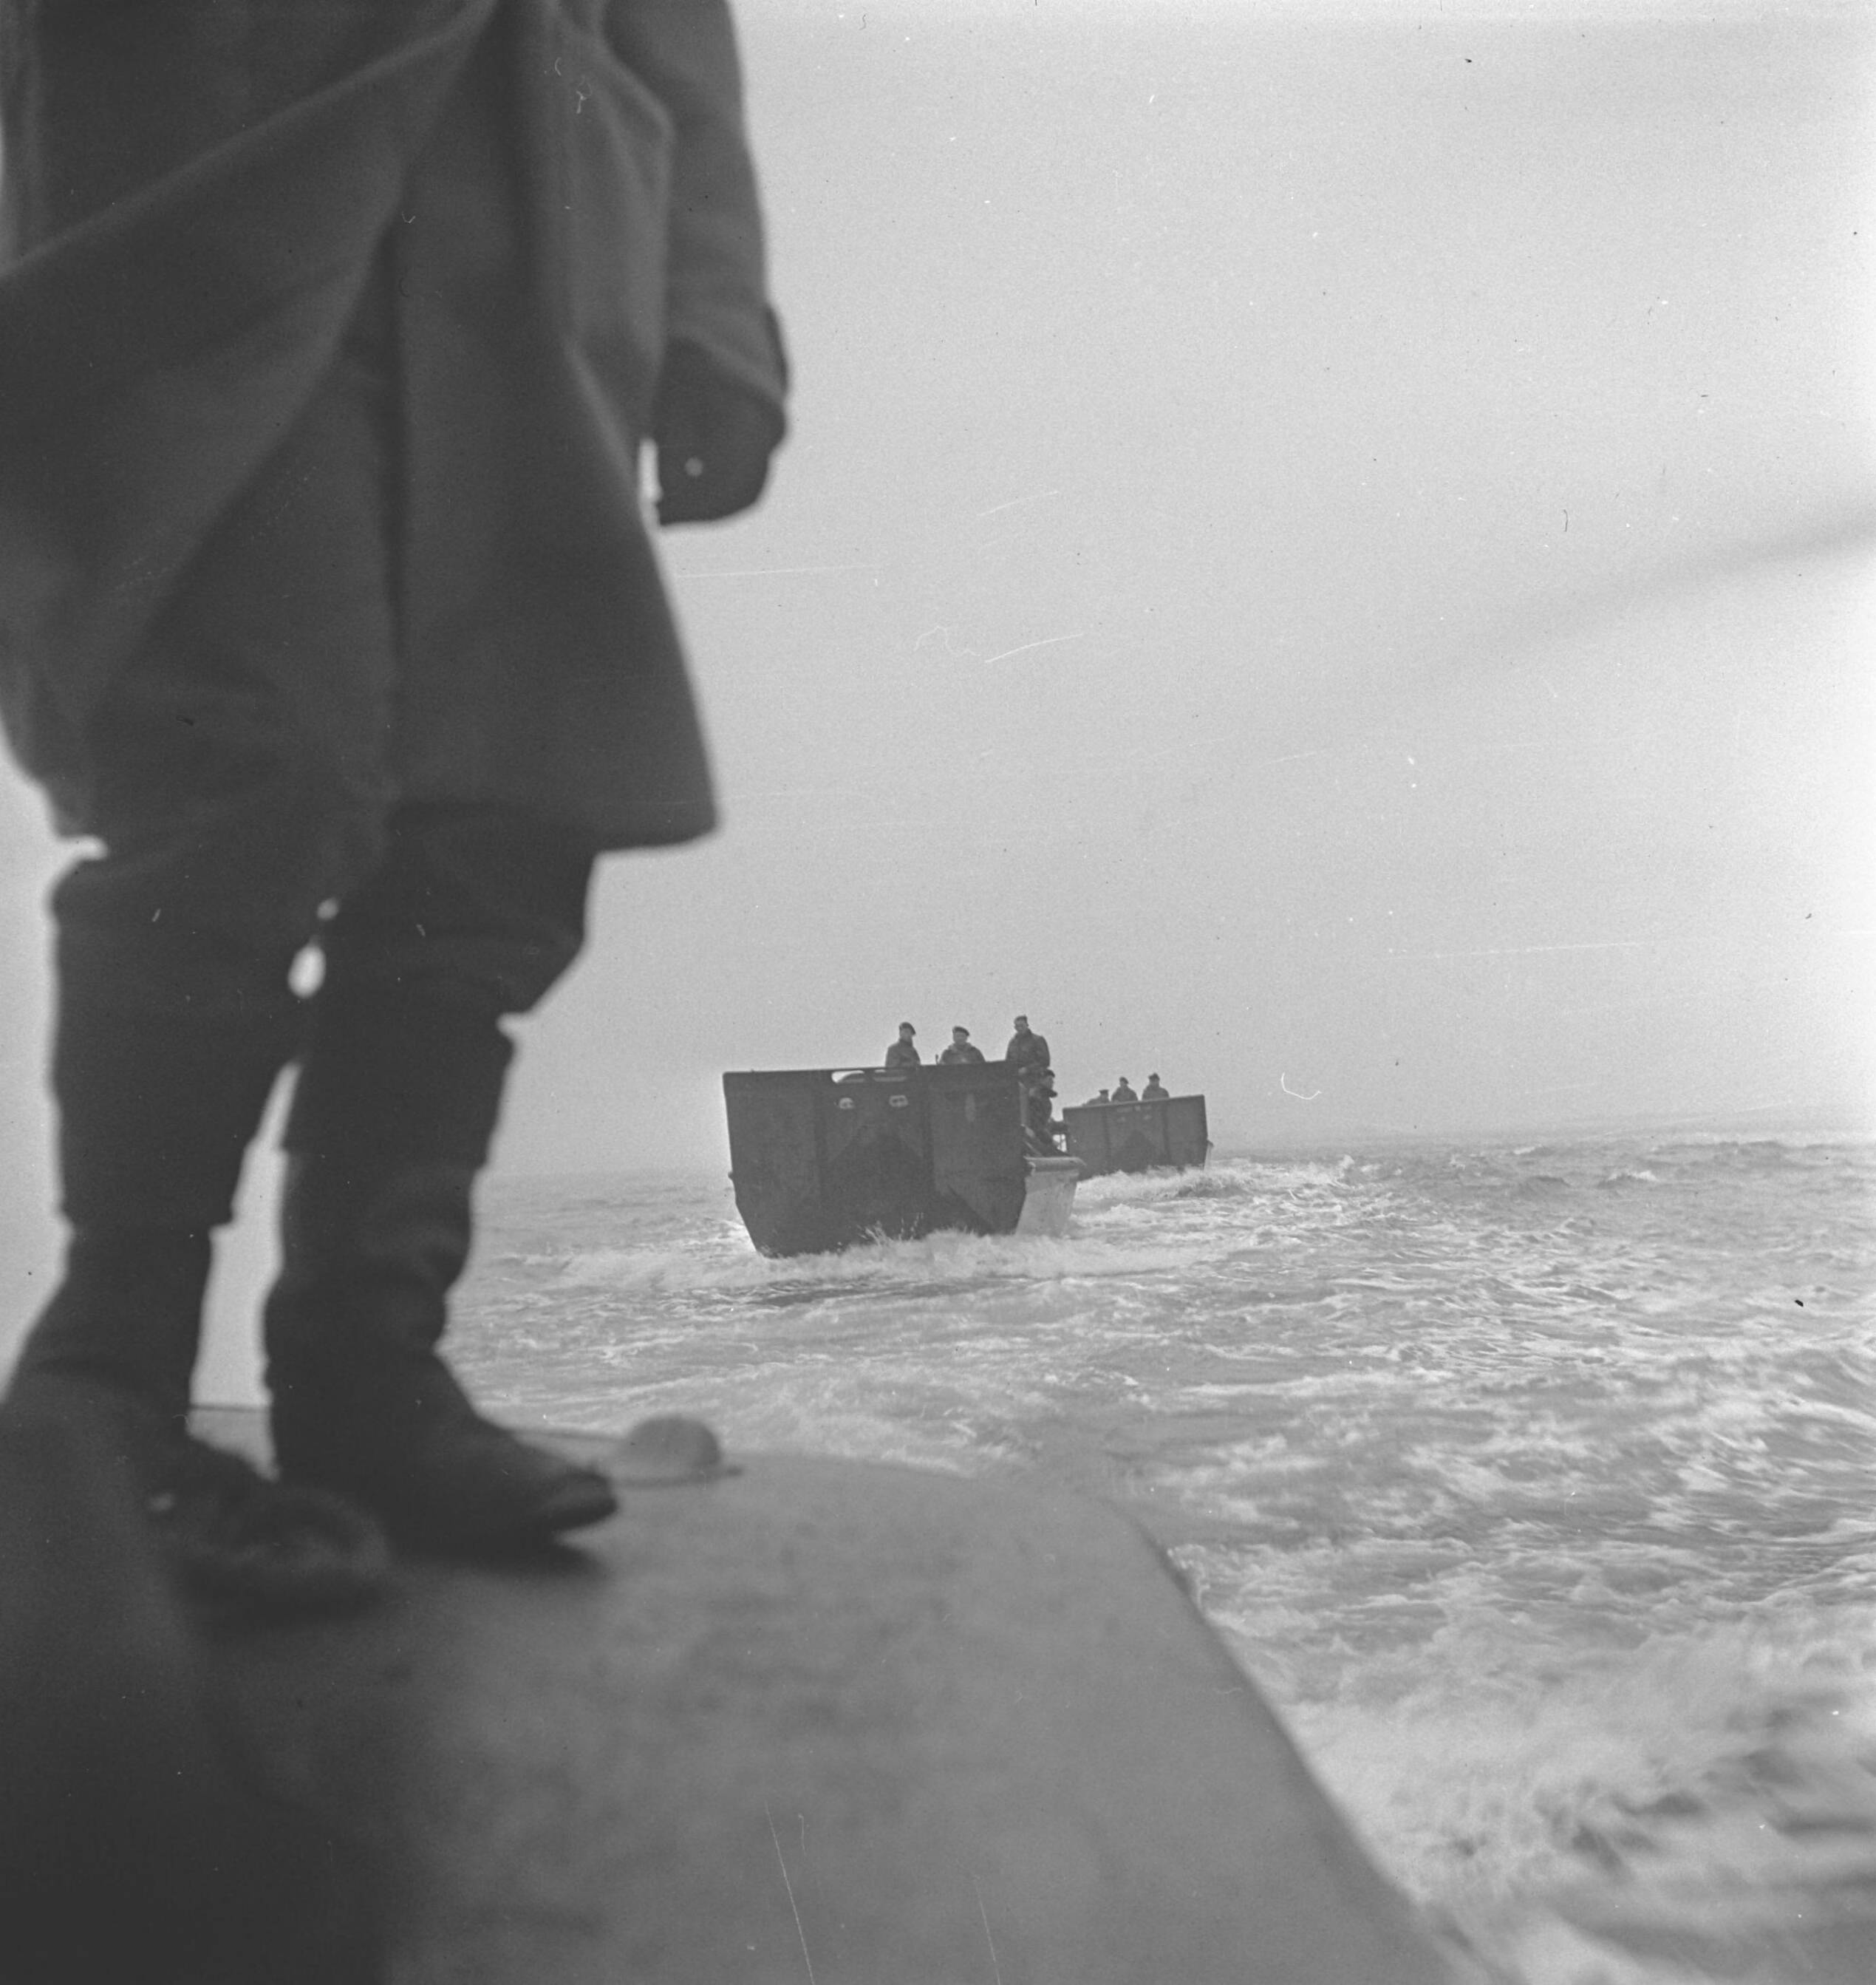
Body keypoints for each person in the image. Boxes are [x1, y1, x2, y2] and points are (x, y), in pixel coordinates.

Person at [0, 0, 788, 1570]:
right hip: (211, 182)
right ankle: (107, 1373)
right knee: (250, 763)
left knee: (504, 813)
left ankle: (366, 1365)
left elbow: (675, 29)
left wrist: (714, 312)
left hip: (540, 219)